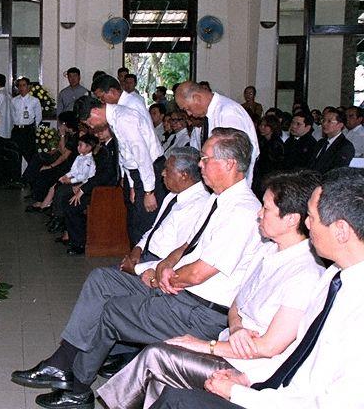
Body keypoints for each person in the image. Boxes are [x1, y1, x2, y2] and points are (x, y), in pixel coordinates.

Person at [13, 128, 265, 409]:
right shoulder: (219, 200)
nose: (200, 165)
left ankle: (78, 389)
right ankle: (65, 361)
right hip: (180, 290)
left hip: (199, 310)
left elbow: (198, 273)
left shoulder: (241, 210)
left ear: (229, 164)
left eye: (205, 159)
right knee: (102, 281)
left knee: (111, 312)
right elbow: (186, 246)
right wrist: (166, 266)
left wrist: (163, 277)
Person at [99, 170, 324, 409]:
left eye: (266, 209)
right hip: (229, 346)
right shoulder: (267, 250)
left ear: (291, 219)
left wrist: (204, 345)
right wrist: (237, 328)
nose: (259, 214)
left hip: (249, 369)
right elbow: (237, 302)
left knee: (156, 356)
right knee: (162, 363)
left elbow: (268, 348)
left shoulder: (305, 273)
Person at [146, 167, 364, 409]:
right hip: (271, 383)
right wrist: (247, 379)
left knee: (171, 392)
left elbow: (332, 403)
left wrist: (240, 393)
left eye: (311, 217)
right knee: (171, 396)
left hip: (283, 400)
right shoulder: (335, 277)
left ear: (341, 231)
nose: (306, 224)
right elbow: (297, 352)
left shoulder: (341, 295)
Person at [90, 75, 166, 247]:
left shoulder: (130, 106)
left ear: (113, 91)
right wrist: (129, 180)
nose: (102, 102)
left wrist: (148, 191)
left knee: (145, 222)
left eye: (102, 97)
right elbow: (124, 148)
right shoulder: (118, 109)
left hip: (148, 167)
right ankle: (135, 259)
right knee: (133, 218)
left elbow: (141, 152)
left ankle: (143, 265)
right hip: (135, 171)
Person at [118, 146, 211, 273]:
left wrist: (137, 269)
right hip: (146, 256)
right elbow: (155, 228)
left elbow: (181, 257)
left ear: (184, 175)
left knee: (100, 278)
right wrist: (138, 248)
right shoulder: (172, 196)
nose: (162, 173)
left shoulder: (197, 205)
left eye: (167, 170)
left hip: (159, 267)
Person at [175, 81, 259, 185]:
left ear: (197, 98)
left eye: (187, 108)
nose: (188, 113)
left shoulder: (227, 113)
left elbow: (234, 160)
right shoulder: (212, 113)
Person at [59, 125, 119, 255]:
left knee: (72, 204)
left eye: (103, 130)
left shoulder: (112, 148)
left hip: (105, 191)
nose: (99, 133)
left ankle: (79, 242)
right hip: (97, 187)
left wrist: (83, 189)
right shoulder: (105, 147)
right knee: (67, 199)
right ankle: (75, 237)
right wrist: (82, 186)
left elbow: (105, 176)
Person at [33, 134, 98, 211]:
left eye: (80, 145)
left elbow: (84, 176)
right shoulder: (79, 157)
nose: (78, 147)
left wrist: (70, 180)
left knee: (60, 191)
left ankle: (57, 214)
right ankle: (46, 206)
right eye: (78, 145)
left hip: (83, 183)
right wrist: (65, 176)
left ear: (88, 147)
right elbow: (73, 171)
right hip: (76, 179)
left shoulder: (89, 160)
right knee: (55, 185)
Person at [11, 77, 42, 179]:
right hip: (17, 130)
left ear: (28, 87)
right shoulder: (14, 100)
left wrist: (35, 130)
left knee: (30, 155)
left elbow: (38, 117)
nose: (21, 88)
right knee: (15, 155)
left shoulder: (34, 101)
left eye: (24, 85)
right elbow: (12, 115)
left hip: (28, 130)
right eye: (19, 85)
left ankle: (32, 178)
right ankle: (16, 178)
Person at [309, 108, 354, 174]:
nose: (324, 124)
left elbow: (337, 171)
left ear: (340, 125)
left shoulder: (345, 146)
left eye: (329, 121)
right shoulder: (321, 142)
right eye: (323, 120)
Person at [0, 73, 15, 187]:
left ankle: (0, 180)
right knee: (6, 157)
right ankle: (7, 178)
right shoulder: (8, 95)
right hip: (8, 129)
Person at [252, 115, 285, 199]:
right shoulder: (260, 141)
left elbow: (277, 165)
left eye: (265, 126)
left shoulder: (277, 144)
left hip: (270, 178)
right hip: (259, 177)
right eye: (261, 125)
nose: (261, 128)